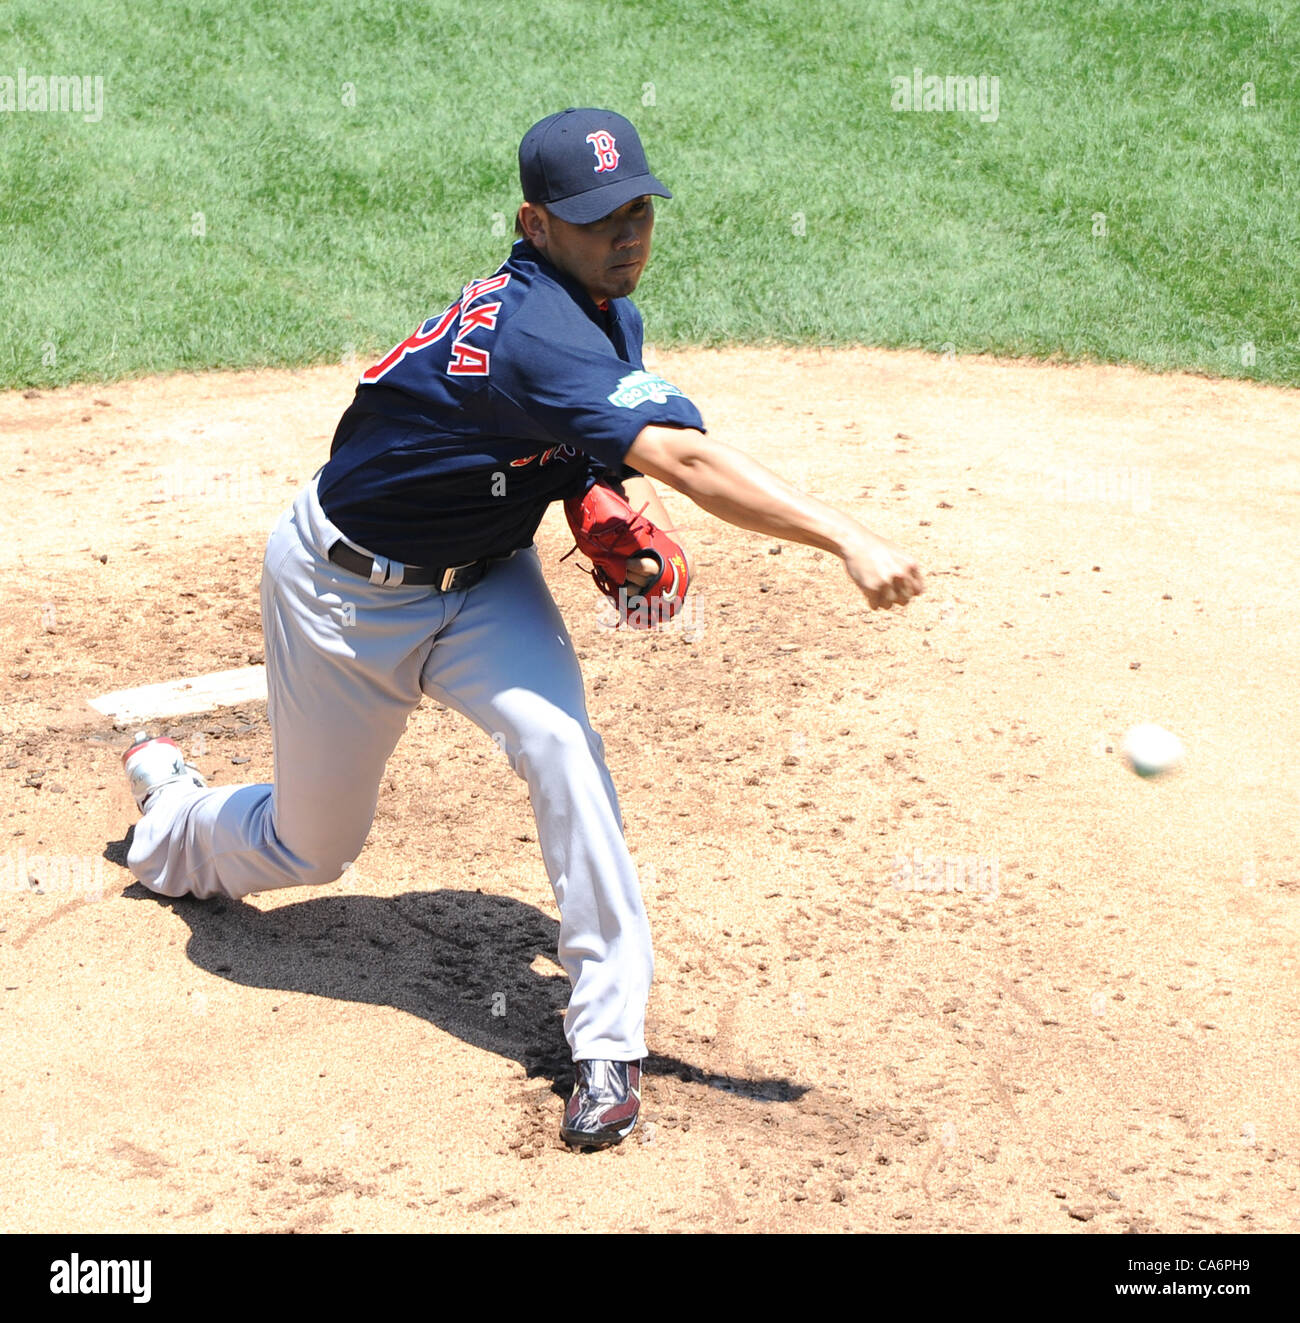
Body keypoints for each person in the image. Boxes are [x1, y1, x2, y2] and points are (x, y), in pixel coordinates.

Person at [122, 108, 924, 1149]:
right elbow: (679, 460)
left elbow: (573, 440)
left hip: (484, 586)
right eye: (599, 222)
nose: (626, 238)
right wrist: (845, 538)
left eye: (639, 212)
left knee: (561, 748)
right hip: (344, 597)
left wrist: (591, 496)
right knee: (310, 846)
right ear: (534, 224)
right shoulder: (533, 329)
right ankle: (169, 813)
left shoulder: (599, 310)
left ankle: (605, 1043)